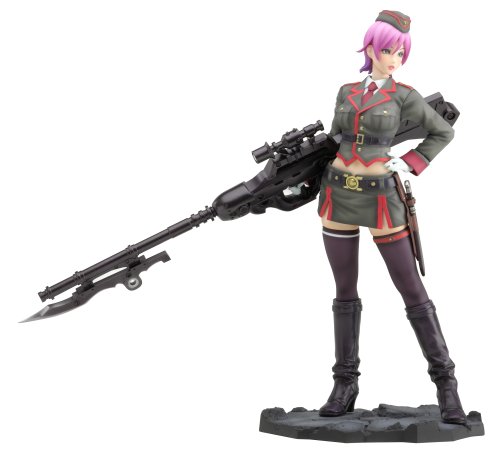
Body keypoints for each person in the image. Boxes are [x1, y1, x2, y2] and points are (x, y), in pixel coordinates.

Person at [317, 10, 467, 425]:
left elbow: (443, 131)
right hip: (337, 194)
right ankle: (344, 384)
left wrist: (411, 161)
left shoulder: (405, 96)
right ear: (370, 48)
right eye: (388, 50)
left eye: (401, 52)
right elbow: (333, 141)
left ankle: (447, 386)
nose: (395, 59)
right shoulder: (346, 91)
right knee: (344, 290)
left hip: (381, 198)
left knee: (411, 289)